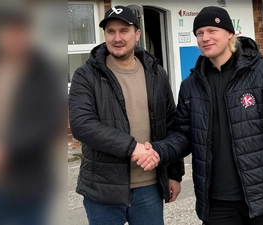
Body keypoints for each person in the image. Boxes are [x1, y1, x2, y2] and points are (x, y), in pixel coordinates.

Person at [133, 6, 263, 225]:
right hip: (216, 201)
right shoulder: (190, 86)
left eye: (212, 30)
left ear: (230, 33)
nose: (205, 38)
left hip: (262, 197)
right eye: (200, 33)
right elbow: (183, 136)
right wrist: (156, 151)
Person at [68, 5, 184, 225]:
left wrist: (174, 174)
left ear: (137, 34)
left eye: (124, 30)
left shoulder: (156, 72)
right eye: (111, 31)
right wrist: (133, 148)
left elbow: (171, 124)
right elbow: (82, 124)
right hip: (103, 189)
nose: (117, 37)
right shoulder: (86, 75)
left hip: (149, 187)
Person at [0, 4, 64, 225]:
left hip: (30, 183)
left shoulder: (44, 72)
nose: (13, 38)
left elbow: (48, 123)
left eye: (19, 32)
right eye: (7, 32)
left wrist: (4, 150)